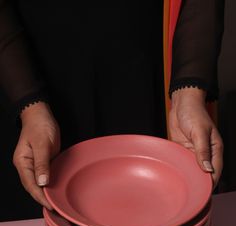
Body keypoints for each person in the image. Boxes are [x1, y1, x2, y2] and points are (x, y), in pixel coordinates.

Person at [0, 0, 223, 212]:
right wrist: (30, 107)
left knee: (161, 206)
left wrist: (189, 92)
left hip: (150, 70)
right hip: (28, 74)